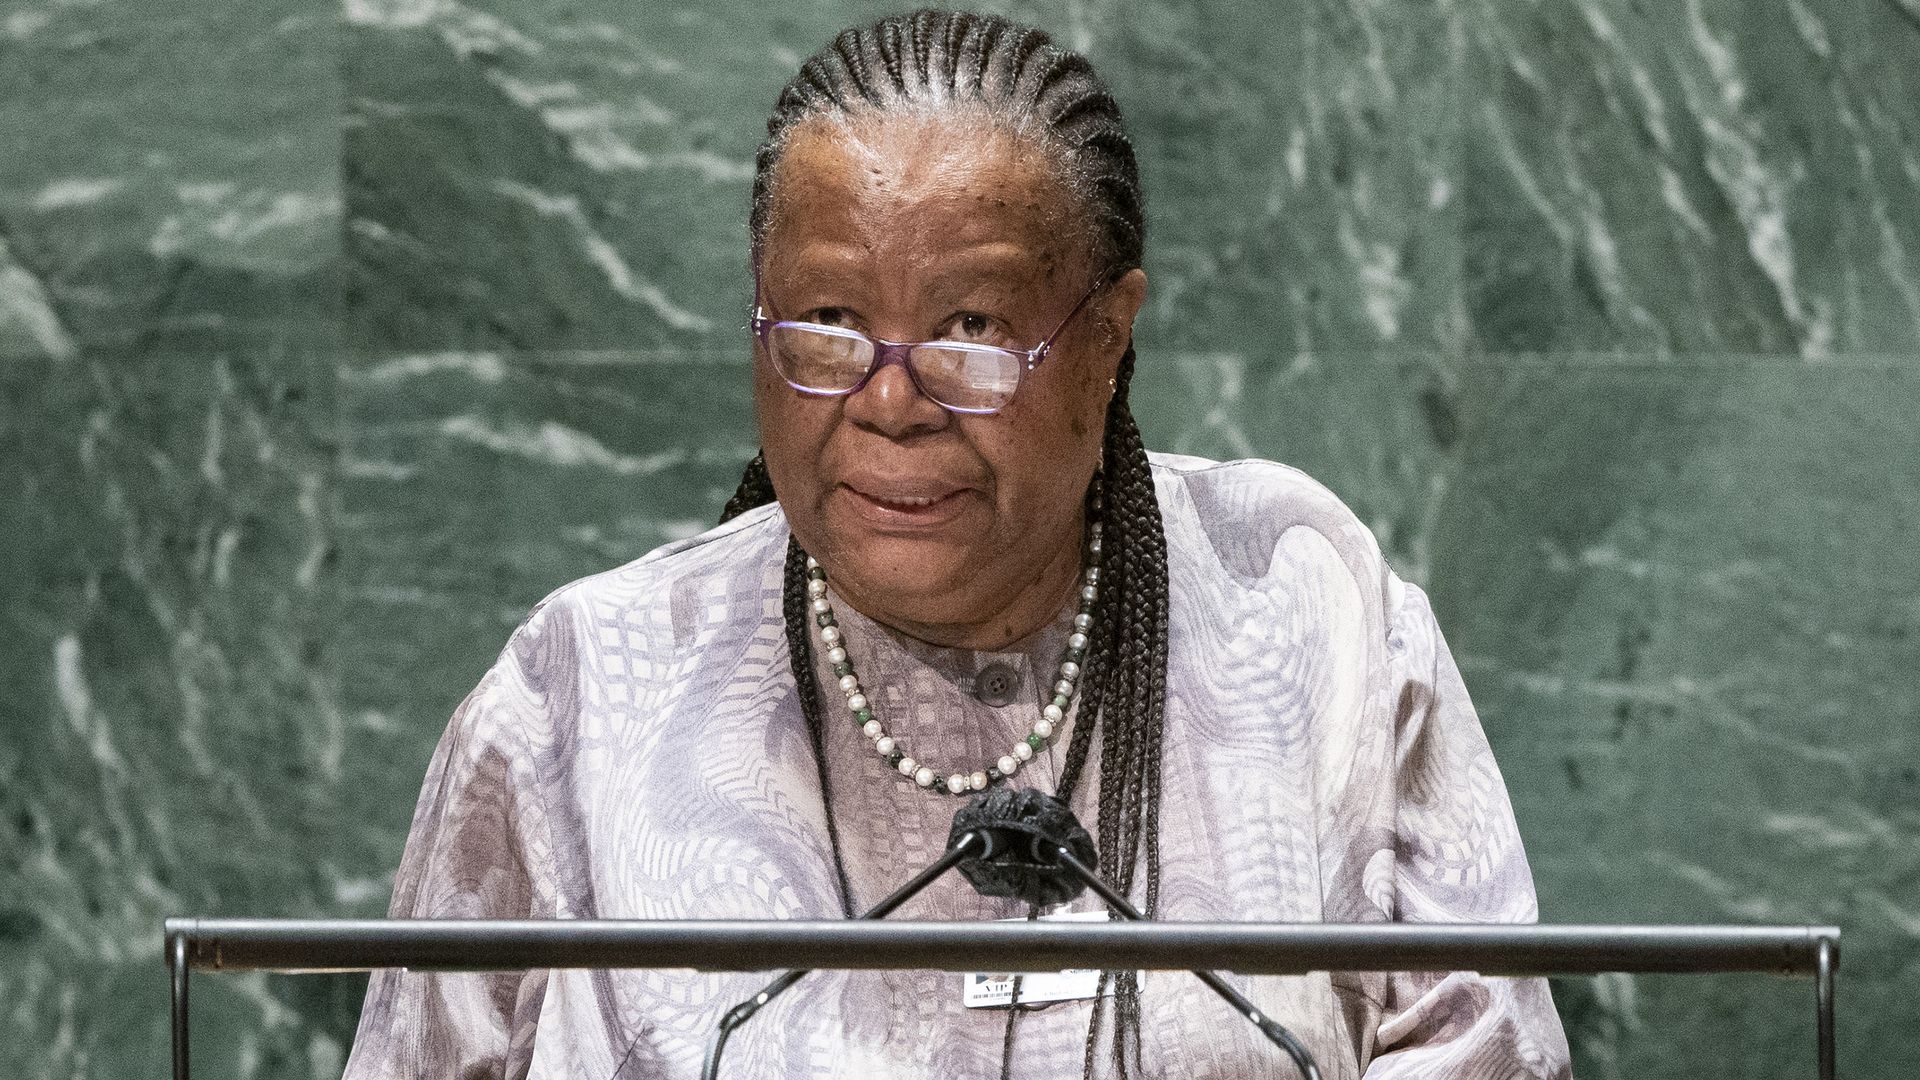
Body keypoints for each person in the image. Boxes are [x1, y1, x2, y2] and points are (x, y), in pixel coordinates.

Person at [343, 10, 1572, 1079]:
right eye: (826, 325)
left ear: (1107, 340)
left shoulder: (1310, 615)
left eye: (971, 328)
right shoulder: (582, 693)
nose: (891, 400)